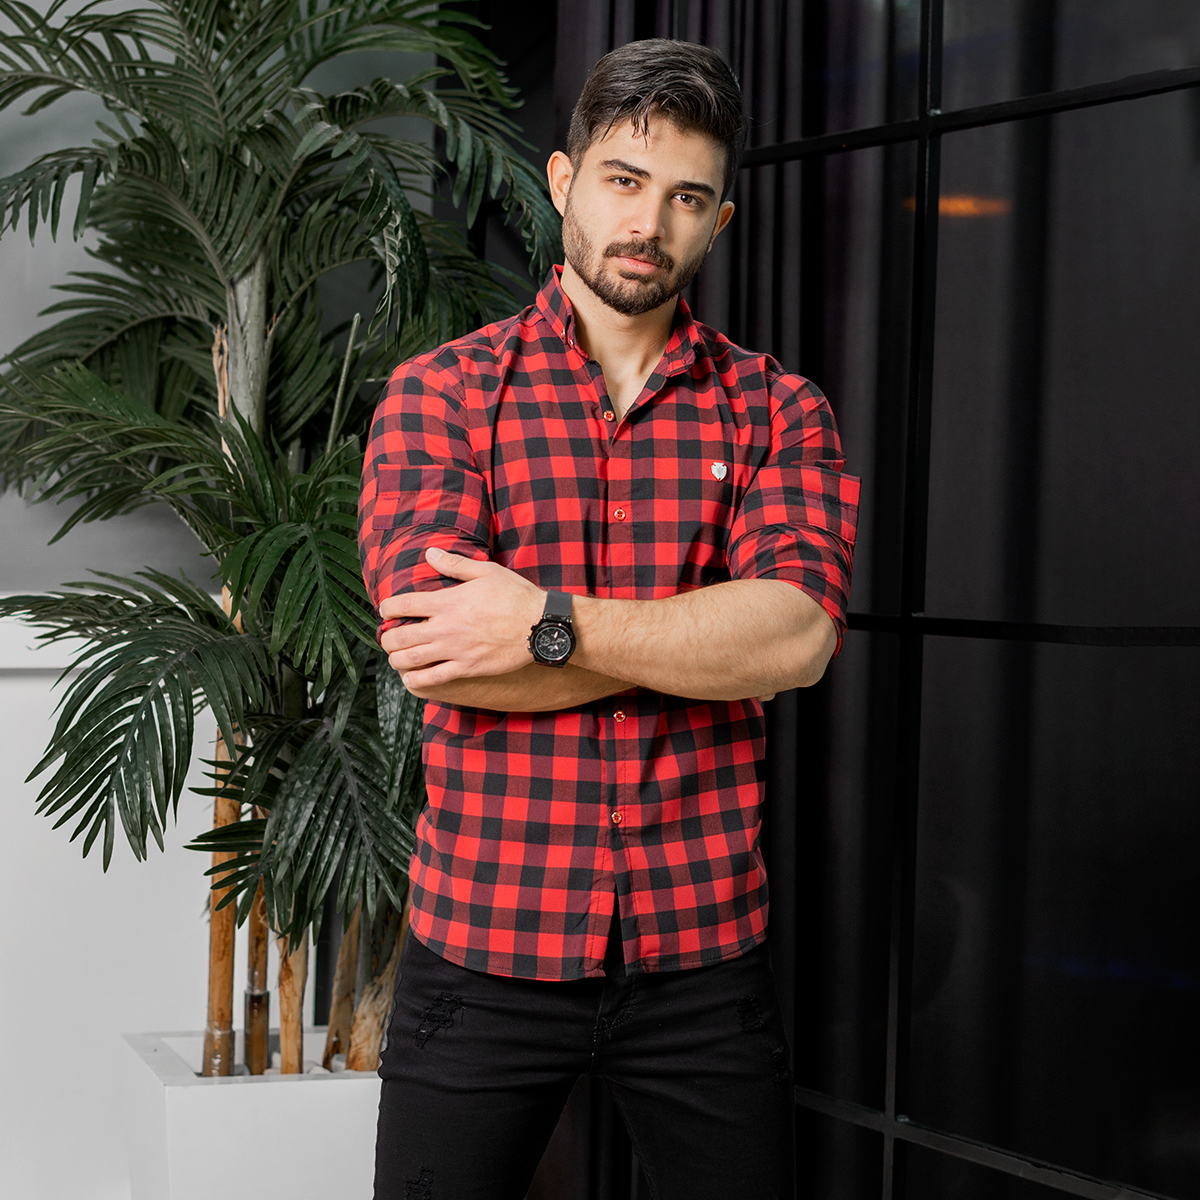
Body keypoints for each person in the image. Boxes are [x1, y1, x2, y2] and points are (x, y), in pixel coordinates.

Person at [358, 37, 859, 1200]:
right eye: (625, 182)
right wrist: (703, 643)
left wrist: (547, 624)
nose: (649, 222)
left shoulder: (779, 411)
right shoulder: (442, 394)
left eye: (686, 197)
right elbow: (440, 653)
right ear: (562, 181)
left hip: (703, 959)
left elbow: (795, 638)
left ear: (718, 220)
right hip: (481, 951)